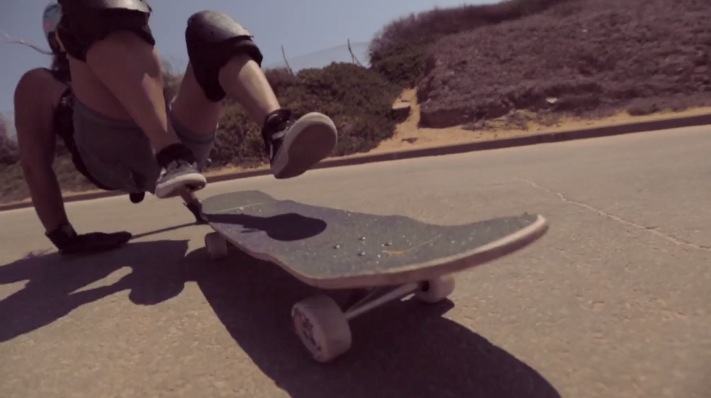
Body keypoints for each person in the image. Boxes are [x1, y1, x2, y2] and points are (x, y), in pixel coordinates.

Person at [14, 0, 338, 256]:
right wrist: (64, 236)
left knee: (210, 29)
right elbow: (34, 164)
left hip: (174, 151)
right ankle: (171, 155)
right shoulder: (39, 84)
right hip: (110, 159)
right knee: (96, 14)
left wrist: (198, 207)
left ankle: (277, 131)